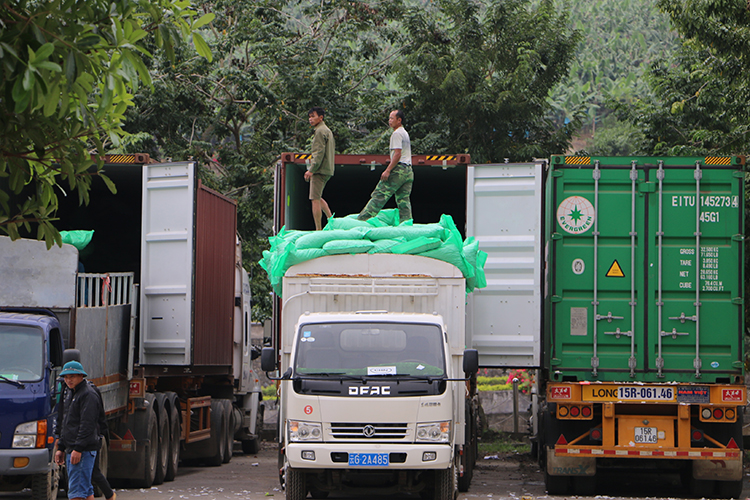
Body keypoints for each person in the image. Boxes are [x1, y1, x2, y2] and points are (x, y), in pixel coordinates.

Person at [357, 109, 413, 224]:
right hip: (408, 171)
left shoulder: (397, 133)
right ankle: (406, 224)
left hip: (398, 170)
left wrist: (388, 170)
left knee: (380, 195)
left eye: (392, 118)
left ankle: (362, 220)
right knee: (403, 201)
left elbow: (397, 154)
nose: (390, 121)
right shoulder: (405, 133)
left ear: (399, 120)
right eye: (389, 118)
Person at [54, 361, 100, 500]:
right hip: (73, 448)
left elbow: (87, 425)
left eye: (72, 376)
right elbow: (67, 422)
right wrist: (61, 447)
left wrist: (78, 449)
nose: (69, 380)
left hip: (82, 450)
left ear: (81, 376)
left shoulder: (88, 394)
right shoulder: (70, 393)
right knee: (85, 490)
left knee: (76, 493)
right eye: (66, 377)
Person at [304, 106, 335, 230]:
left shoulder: (319, 131)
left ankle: (318, 229)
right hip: (328, 169)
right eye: (309, 117)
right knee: (317, 196)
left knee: (314, 199)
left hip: (319, 170)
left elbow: (318, 152)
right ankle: (330, 219)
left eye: (313, 116)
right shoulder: (327, 130)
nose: (310, 119)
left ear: (320, 117)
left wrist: (311, 169)